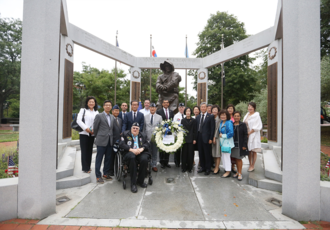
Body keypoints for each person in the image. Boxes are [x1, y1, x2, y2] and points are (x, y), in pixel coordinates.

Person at [119, 122, 150, 193]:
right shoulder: (125, 134)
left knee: (144, 159)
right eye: (134, 128)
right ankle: (133, 184)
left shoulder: (143, 135)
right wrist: (131, 149)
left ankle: (140, 181)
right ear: (131, 128)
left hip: (140, 152)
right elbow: (121, 144)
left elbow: (147, 143)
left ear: (139, 130)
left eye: (137, 128)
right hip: (129, 152)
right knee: (132, 157)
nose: (135, 130)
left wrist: (142, 149)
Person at [93, 100, 114, 184]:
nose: (108, 106)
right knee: (99, 158)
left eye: (109, 105)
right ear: (104, 106)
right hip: (101, 140)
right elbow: (95, 128)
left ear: (111, 107)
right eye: (106, 105)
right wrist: (98, 137)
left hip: (110, 141)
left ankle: (105, 173)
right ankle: (98, 176)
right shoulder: (99, 116)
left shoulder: (112, 117)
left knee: (108, 159)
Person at [77, 96, 99, 173]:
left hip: (92, 134)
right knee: (84, 151)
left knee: (90, 150)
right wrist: (86, 128)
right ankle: (85, 168)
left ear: (95, 103)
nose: (91, 103)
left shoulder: (96, 112)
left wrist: (93, 130)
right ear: (87, 103)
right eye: (90, 101)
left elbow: (97, 122)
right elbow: (78, 120)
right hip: (84, 133)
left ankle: (88, 166)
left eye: (93, 102)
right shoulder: (83, 110)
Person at [195, 102, 215, 175]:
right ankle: (202, 167)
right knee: (201, 153)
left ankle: (208, 168)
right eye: (202, 107)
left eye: (204, 107)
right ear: (200, 108)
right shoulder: (197, 117)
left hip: (207, 138)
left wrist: (211, 138)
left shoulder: (210, 116)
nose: (203, 108)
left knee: (207, 154)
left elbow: (212, 128)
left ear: (206, 108)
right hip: (199, 137)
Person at [243, 102, 262, 172]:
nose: (250, 108)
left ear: (254, 108)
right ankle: (250, 163)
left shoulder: (256, 115)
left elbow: (258, 126)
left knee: (254, 150)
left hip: (253, 134)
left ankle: (253, 165)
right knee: (249, 150)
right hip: (247, 135)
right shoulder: (246, 115)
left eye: (251, 106)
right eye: (249, 106)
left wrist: (249, 133)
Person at [144, 103, 162, 172]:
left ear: (155, 109)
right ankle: (147, 165)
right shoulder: (145, 116)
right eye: (151, 107)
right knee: (147, 152)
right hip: (147, 138)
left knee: (154, 152)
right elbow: (144, 127)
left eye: (154, 107)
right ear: (149, 108)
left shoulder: (159, 117)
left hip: (155, 139)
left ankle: (154, 165)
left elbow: (161, 128)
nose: (152, 108)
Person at [156, 99, 174, 168]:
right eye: (164, 103)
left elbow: (172, 121)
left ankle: (167, 162)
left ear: (168, 104)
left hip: (169, 133)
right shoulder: (159, 111)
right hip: (162, 132)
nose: (166, 104)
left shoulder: (171, 111)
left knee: (168, 147)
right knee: (162, 147)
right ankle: (162, 162)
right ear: (162, 104)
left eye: (167, 103)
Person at [232, 111, 249, 181]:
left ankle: (240, 173)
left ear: (240, 117)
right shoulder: (232, 124)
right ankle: (237, 172)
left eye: (238, 116)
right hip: (233, 145)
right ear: (233, 117)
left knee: (239, 159)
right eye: (235, 116)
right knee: (235, 158)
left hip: (240, 144)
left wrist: (245, 144)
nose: (236, 117)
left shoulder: (243, 124)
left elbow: (246, 135)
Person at [218, 109, 234, 178]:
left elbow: (231, 133)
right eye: (221, 115)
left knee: (227, 157)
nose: (223, 116)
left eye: (224, 115)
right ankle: (226, 169)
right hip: (223, 143)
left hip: (227, 142)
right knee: (224, 156)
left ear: (227, 115)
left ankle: (228, 171)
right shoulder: (221, 122)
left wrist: (223, 136)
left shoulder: (229, 123)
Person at [181, 107, 196, 173]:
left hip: (191, 139)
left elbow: (195, 130)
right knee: (184, 153)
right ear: (185, 112)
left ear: (190, 112)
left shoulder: (193, 120)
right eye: (186, 111)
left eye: (189, 111)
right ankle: (184, 167)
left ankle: (190, 167)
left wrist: (194, 139)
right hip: (184, 139)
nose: (188, 112)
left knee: (190, 154)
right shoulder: (182, 120)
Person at [110, 105, 122, 176]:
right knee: (111, 157)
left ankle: (117, 170)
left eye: (118, 111)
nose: (117, 112)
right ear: (112, 111)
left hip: (119, 141)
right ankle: (111, 171)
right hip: (112, 141)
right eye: (115, 110)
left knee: (117, 156)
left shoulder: (120, 120)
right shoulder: (110, 119)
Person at [173, 103, 185, 167]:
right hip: (177, 135)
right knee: (177, 149)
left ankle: (183, 162)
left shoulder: (186, 115)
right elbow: (174, 126)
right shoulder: (176, 116)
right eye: (180, 107)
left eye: (182, 107)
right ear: (178, 108)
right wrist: (175, 135)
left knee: (184, 150)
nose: (181, 108)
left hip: (184, 135)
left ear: (184, 108)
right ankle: (177, 162)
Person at [226, 104, 236, 174]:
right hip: (226, 138)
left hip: (234, 137)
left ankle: (233, 166)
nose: (230, 110)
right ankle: (227, 166)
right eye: (228, 108)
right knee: (227, 152)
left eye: (231, 108)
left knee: (233, 152)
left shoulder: (235, 117)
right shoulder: (225, 117)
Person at [211, 105, 221, 174]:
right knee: (213, 153)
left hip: (217, 138)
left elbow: (217, 129)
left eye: (216, 109)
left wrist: (214, 137)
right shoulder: (211, 117)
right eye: (213, 109)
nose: (214, 111)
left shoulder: (219, 118)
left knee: (217, 153)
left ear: (218, 111)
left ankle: (217, 167)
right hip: (212, 138)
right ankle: (215, 166)